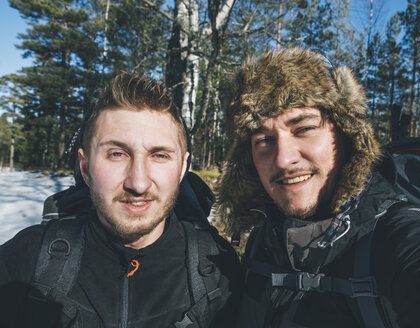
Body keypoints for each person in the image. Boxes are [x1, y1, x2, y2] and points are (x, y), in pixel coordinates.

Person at [216, 47, 420, 327]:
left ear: (345, 135)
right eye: (264, 140)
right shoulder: (261, 244)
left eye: (304, 129)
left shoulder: (401, 237)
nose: (283, 159)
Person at [0, 72, 241, 327]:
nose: (137, 183)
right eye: (117, 154)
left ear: (182, 169)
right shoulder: (25, 261)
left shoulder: (220, 270)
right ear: (85, 168)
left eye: (159, 155)